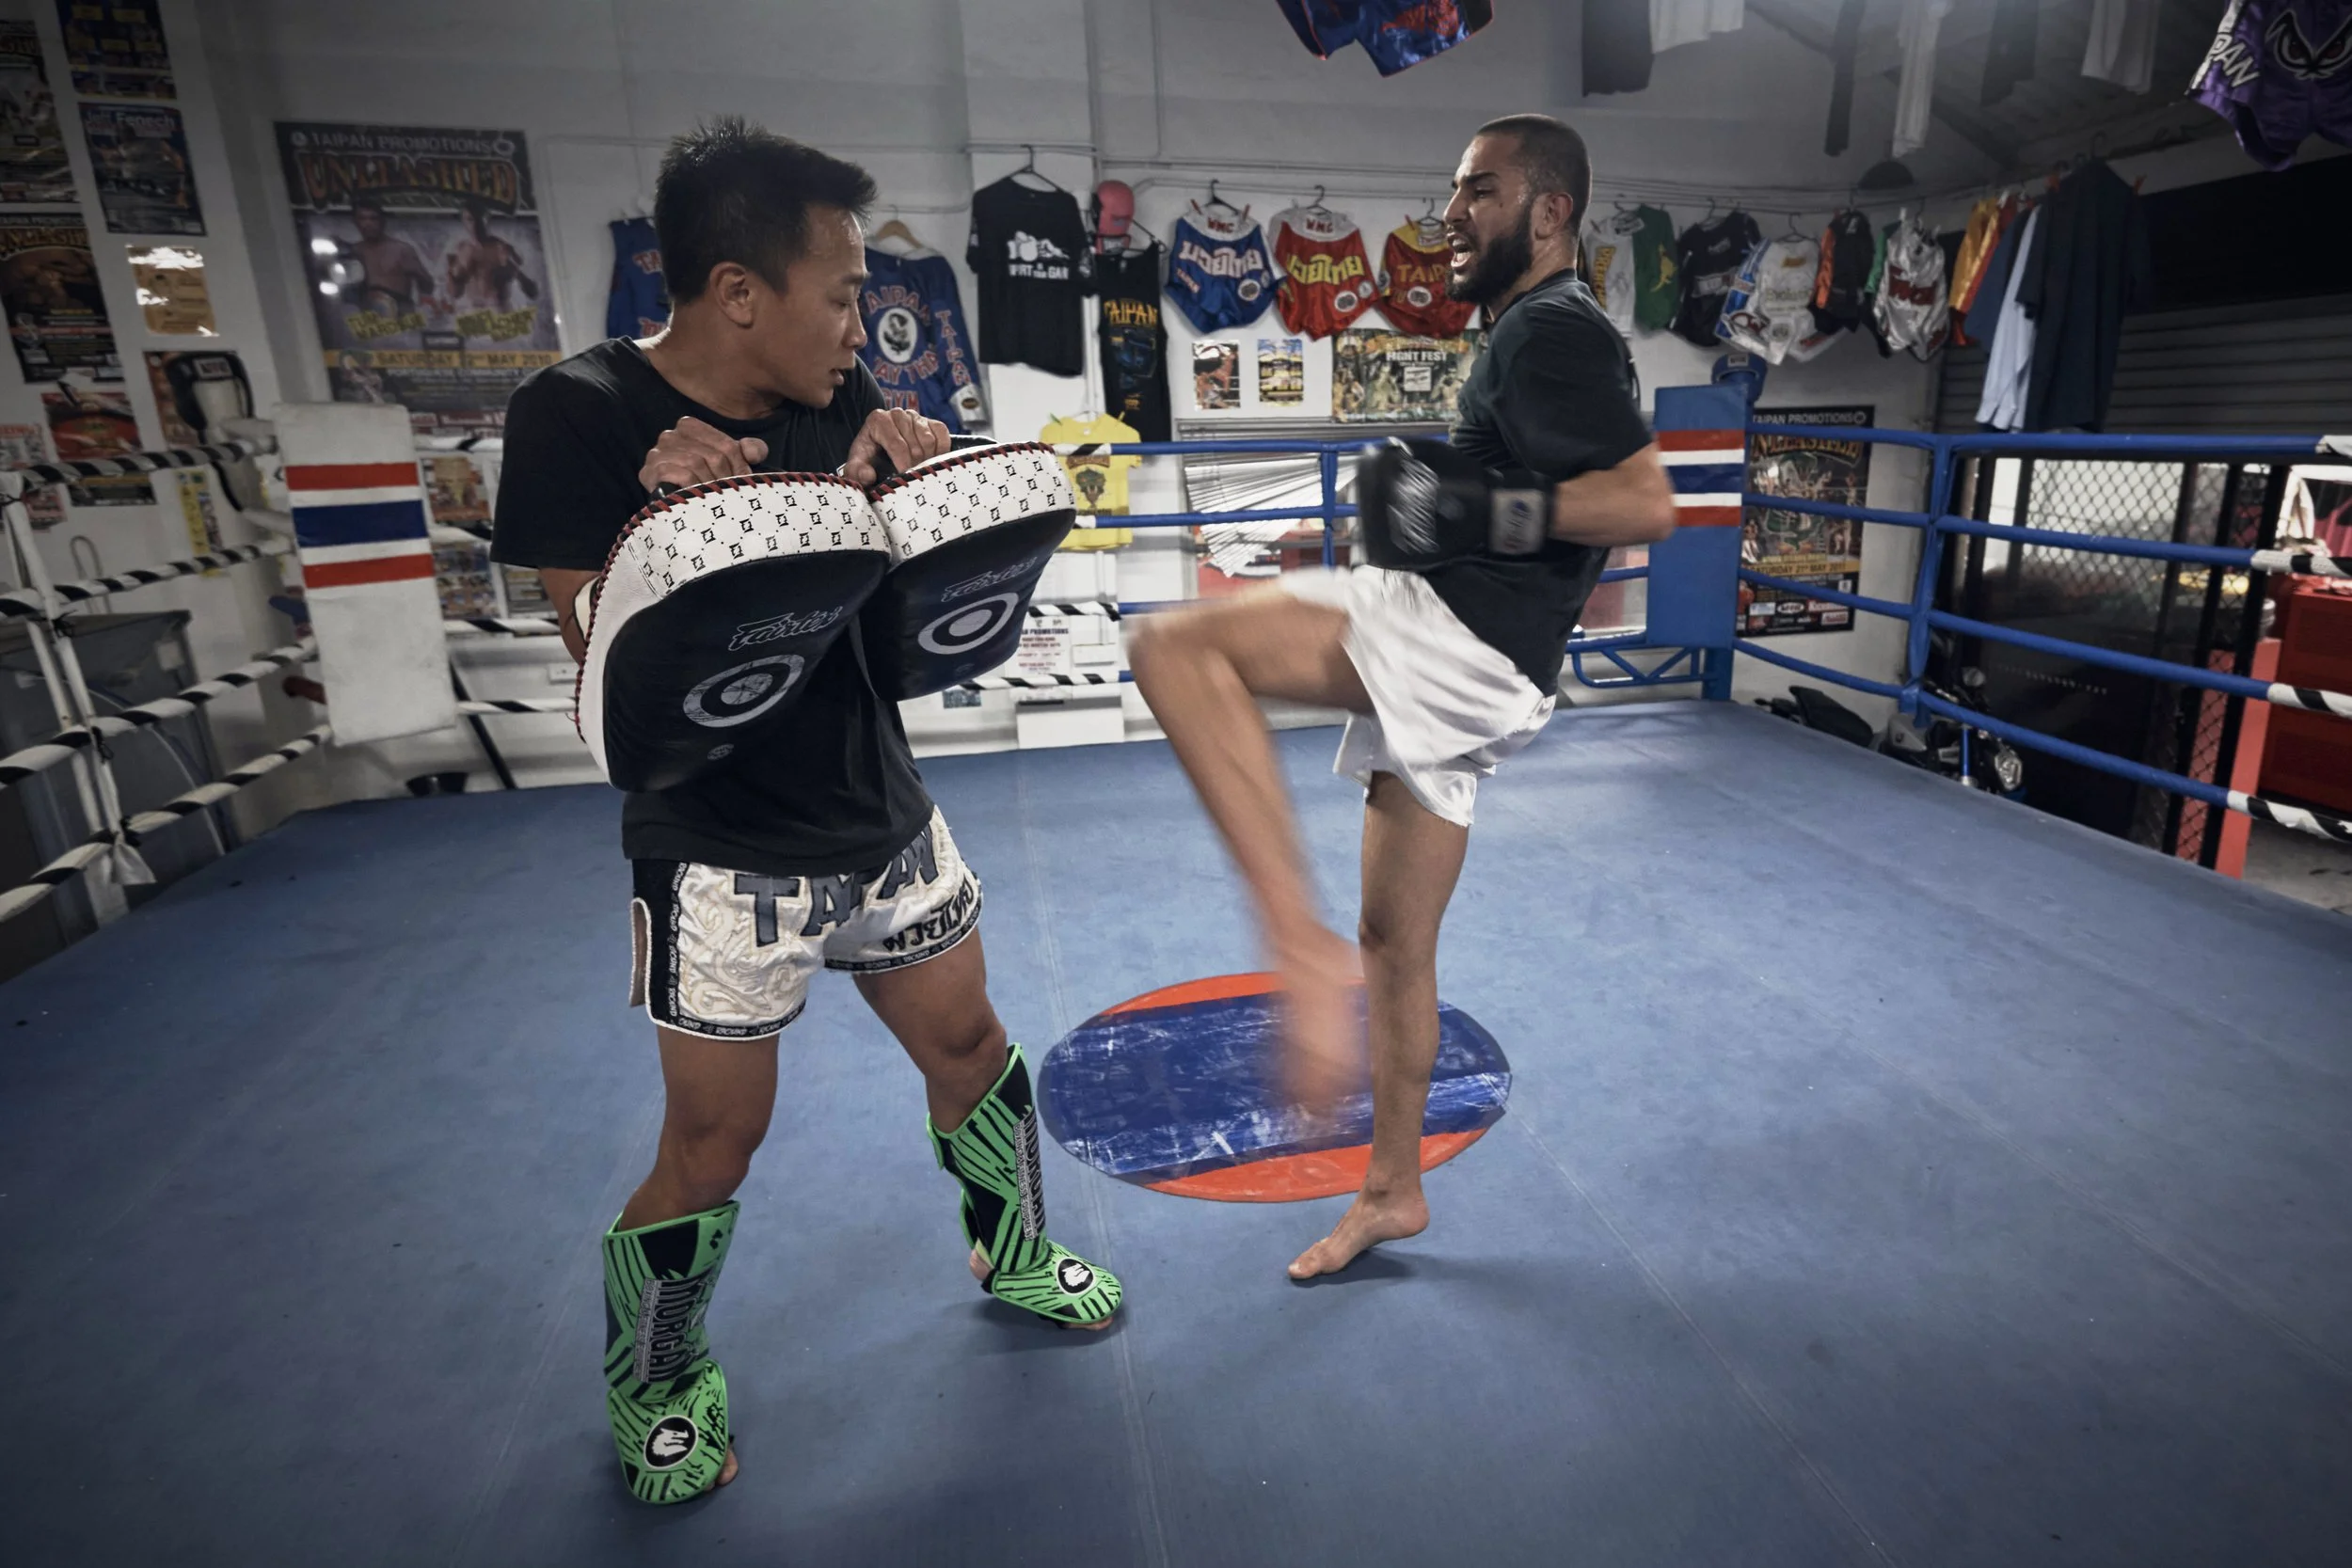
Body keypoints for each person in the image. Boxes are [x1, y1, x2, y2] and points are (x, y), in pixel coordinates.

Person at [491, 118, 1120, 1508]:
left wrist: (912, 507)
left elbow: (880, 632)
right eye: (841, 293)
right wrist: (657, 538)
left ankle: (1010, 1248)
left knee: (974, 1043)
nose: (862, 323)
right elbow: (596, 668)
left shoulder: (841, 405)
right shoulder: (579, 414)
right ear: (737, 292)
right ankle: (657, 1376)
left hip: (876, 805)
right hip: (717, 849)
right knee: (716, 1140)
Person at [1129, 113, 1677, 1280]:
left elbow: (1642, 505)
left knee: (1175, 649)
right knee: (1395, 943)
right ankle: (1392, 1189)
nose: (1453, 214)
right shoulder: (1542, 333)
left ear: (1552, 210)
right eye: (1453, 191)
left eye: (1480, 191)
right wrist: (1470, 490)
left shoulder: (1549, 331)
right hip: (1494, 667)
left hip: (1457, 642)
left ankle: (1290, 944)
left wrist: (1479, 515)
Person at [443, 197, 540, 312]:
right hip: (474, 318)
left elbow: (533, 292)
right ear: (463, 221)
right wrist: (454, 274)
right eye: (470, 219)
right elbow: (455, 294)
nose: (475, 225)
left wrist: (514, 272)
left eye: (479, 219)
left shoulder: (502, 248)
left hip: (502, 317)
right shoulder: (459, 250)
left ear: (486, 219)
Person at [346, 199, 437, 320]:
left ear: (382, 221)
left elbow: (427, 284)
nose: (368, 224)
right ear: (355, 222)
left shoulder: (402, 250)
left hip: (400, 314)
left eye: (373, 219)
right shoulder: (354, 251)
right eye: (362, 219)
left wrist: (424, 301)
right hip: (367, 319)